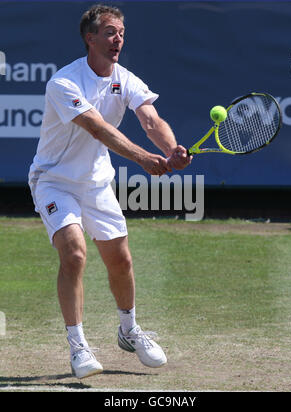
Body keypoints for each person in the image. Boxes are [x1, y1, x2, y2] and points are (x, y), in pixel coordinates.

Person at [28, 3, 192, 379]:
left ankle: (129, 330)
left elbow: (150, 120)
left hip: (97, 182)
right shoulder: (64, 82)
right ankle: (78, 345)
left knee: (121, 261)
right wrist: (143, 159)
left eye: (121, 32)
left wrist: (170, 150)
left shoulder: (126, 78)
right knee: (74, 254)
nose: (118, 38)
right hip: (54, 180)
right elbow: (98, 128)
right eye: (109, 32)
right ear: (91, 38)